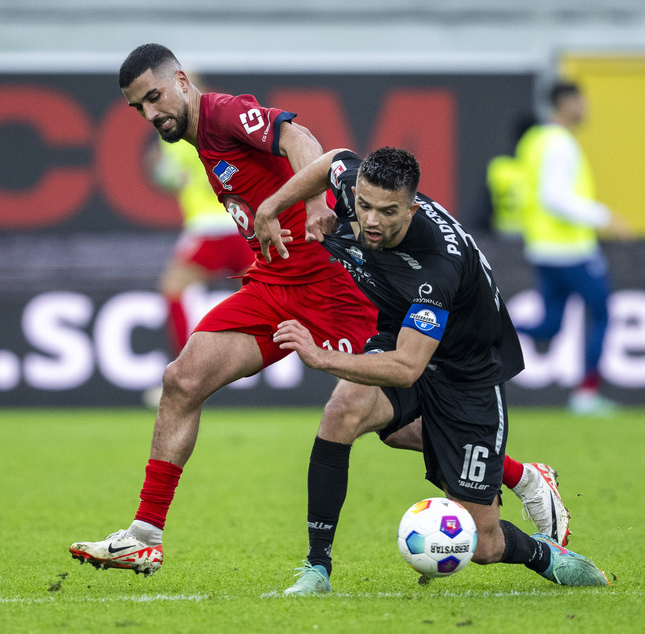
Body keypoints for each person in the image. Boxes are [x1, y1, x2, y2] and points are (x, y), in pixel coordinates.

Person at [69, 44, 568, 577]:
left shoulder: (221, 112)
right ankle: (144, 535)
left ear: (182, 82)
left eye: (154, 97)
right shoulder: (197, 139)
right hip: (274, 285)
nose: (150, 114)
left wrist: (310, 205)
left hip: (336, 291)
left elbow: (300, 138)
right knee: (182, 379)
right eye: (138, 107)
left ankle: (520, 475)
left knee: (393, 425)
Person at [259, 147, 608, 593]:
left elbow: (406, 368)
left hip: (467, 374)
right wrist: (275, 206)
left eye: (387, 212)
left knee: (482, 544)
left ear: (413, 208)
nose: (370, 221)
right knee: (343, 411)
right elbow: (332, 161)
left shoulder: (436, 267)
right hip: (402, 334)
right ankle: (316, 568)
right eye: (363, 206)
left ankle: (544, 553)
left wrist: (319, 356)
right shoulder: (357, 189)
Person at [507, 80, 631, 417]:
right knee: (603, 313)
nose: (586, 107)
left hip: (542, 247)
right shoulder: (560, 143)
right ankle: (587, 395)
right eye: (581, 100)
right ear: (565, 103)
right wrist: (605, 217)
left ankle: (490, 324)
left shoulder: (534, 140)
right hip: (570, 250)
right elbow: (555, 198)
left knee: (551, 325)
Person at [141, 138, 254, 406]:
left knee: (173, 288)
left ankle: (186, 374)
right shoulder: (176, 133)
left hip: (214, 226)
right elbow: (174, 178)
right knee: (278, 290)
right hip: (239, 224)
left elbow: (225, 169)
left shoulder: (205, 127)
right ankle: (336, 360)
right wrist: (162, 173)